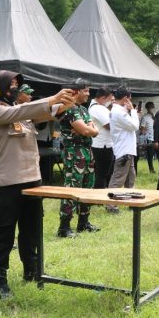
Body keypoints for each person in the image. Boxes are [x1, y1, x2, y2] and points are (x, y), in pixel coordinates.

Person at [0, 70, 74, 299]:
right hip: (8, 183)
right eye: (11, 83)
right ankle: (0, 280)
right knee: (3, 233)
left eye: (17, 83)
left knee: (31, 230)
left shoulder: (22, 114)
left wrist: (65, 103)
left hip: (32, 180)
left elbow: (45, 113)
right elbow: (22, 110)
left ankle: (31, 271)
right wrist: (53, 97)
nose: (16, 87)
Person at [58, 79, 100, 237]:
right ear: (76, 91)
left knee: (87, 186)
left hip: (87, 152)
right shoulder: (69, 108)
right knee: (72, 188)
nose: (88, 94)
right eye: (86, 90)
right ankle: (64, 227)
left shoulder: (83, 109)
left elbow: (92, 129)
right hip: (74, 153)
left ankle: (83, 223)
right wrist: (89, 129)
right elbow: (86, 130)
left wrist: (90, 129)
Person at [108, 86, 140, 191]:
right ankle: (110, 204)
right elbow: (135, 126)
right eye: (129, 99)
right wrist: (133, 111)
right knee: (118, 180)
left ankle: (131, 202)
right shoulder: (119, 112)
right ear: (126, 98)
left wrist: (129, 110)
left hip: (127, 150)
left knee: (130, 179)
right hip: (124, 151)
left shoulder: (119, 110)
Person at [88, 87, 114, 190]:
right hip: (102, 145)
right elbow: (110, 125)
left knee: (103, 172)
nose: (111, 102)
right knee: (102, 173)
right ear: (103, 98)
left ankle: (102, 192)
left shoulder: (98, 107)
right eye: (110, 99)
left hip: (103, 144)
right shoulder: (98, 108)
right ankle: (99, 194)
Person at [139, 101, 156, 174]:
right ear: (147, 108)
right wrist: (143, 131)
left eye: (152, 107)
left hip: (156, 137)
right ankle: (151, 169)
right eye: (150, 107)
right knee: (150, 155)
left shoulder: (155, 116)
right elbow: (142, 128)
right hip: (149, 138)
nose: (151, 108)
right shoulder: (145, 117)